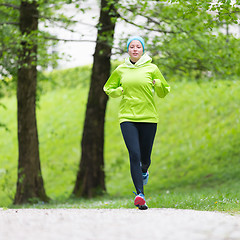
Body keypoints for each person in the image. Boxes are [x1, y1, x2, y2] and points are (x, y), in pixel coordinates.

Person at [103, 36, 170, 210]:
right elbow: (108, 88)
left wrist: (158, 84)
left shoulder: (152, 68)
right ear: (128, 50)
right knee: (134, 154)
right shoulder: (121, 70)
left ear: (142, 50)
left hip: (148, 117)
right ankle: (140, 194)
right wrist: (118, 91)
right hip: (127, 117)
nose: (134, 49)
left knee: (145, 159)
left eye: (138, 47)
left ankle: (144, 170)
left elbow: (164, 91)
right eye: (131, 47)